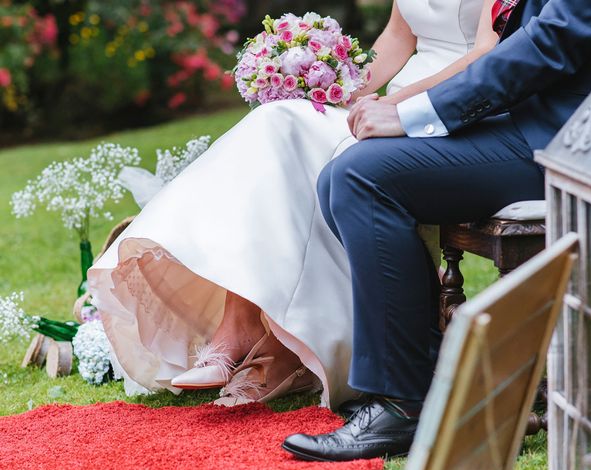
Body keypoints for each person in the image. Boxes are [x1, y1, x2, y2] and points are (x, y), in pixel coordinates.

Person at [88, 0, 497, 408]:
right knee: (281, 116)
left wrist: (399, 102)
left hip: (451, 113)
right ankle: (252, 332)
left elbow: (486, 54)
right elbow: (397, 37)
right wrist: (328, 83)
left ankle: (260, 340)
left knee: (286, 130)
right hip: (390, 109)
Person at [281, 0, 591, 462]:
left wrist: (412, 113)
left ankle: (402, 403)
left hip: (582, 139)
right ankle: (430, 376)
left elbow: (548, 42)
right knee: (340, 176)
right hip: (536, 114)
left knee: (360, 177)